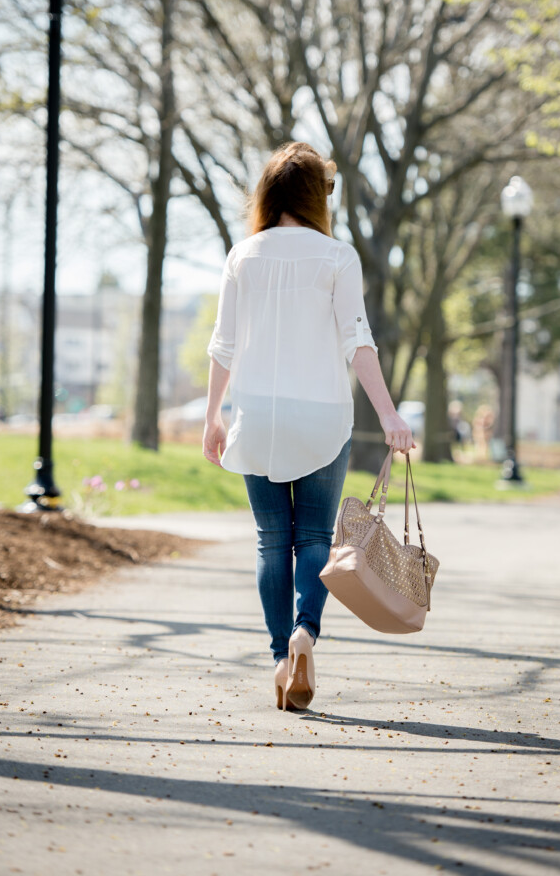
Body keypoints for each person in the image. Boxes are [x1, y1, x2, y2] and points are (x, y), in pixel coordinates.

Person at [202, 142, 414, 712]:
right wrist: (388, 413)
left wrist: (213, 416)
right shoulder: (337, 256)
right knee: (315, 537)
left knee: (272, 539)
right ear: (317, 196)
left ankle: (280, 657)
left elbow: (223, 345)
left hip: (257, 415)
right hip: (322, 416)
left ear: (268, 194)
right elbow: (357, 341)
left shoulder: (242, 255)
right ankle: (305, 633)